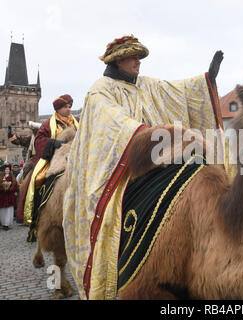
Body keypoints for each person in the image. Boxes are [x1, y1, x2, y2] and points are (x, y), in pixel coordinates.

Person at [62, 35, 225, 300]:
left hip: (150, 157)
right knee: (41, 172)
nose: (139, 62)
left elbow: (177, 91)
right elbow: (112, 124)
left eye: (140, 57)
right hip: (118, 166)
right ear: (118, 60)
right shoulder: (100, 90)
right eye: (134, 57)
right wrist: (145, 135)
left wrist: (206, 80)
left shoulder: (145, 85)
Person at [23, 94, 79, 237]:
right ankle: (35, 221)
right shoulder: (48, 124)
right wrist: (53, 143)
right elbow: (39, 140)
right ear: (58, 109)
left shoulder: (77, 122)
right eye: (66, 107)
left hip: (76, 158)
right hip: (54, 159)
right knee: (37, 180)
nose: (68, 109)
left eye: (70, 106)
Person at [0, 165, 18, 230]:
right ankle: (3, 223)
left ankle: (7, 223)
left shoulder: (12, 177)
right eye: (6, 170)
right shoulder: (1, 177)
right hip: (3, 196)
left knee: (9, 210)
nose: (7, 171)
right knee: (3, 210)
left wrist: (10, 189)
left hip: (10, 196)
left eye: (8, 169)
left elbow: (15, 185)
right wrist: (3, 189)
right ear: (4, 170)